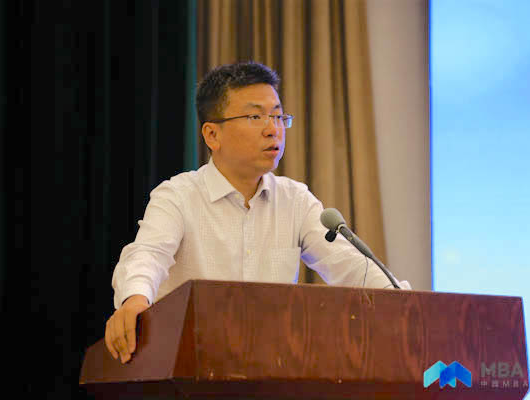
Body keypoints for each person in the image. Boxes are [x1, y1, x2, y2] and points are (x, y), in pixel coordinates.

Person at [105, 62, 406, 364]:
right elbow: (147, 255)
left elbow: (352, 268)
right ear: (212, 135)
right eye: (255, 117)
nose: (272, 129)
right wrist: (135, 299)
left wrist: (406, 305)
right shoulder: (177, 196)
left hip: (271, 368)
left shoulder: (295, 200)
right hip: (189, 364)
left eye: (277, 116)